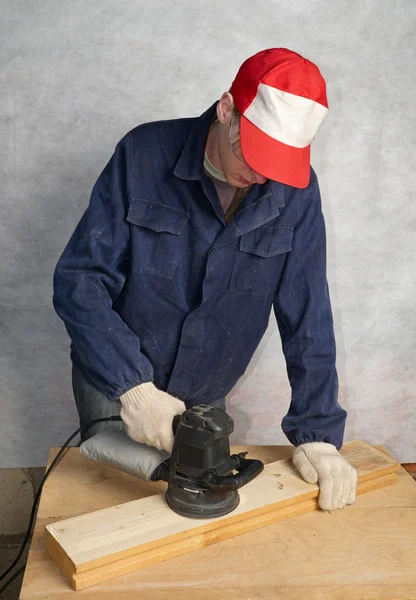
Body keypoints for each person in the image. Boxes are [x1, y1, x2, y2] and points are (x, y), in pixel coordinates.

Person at [53, 47, 357, 511]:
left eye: (275, 163)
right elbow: (80, 280)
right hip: (114, 376)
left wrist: (317, 435)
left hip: (207, 385)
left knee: (193, 517)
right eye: (251, 152)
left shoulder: (296, 193)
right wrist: (132, 389)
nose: (258, 174)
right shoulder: (142, 153)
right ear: (226, 109)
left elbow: (307, 310)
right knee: (111, 507)